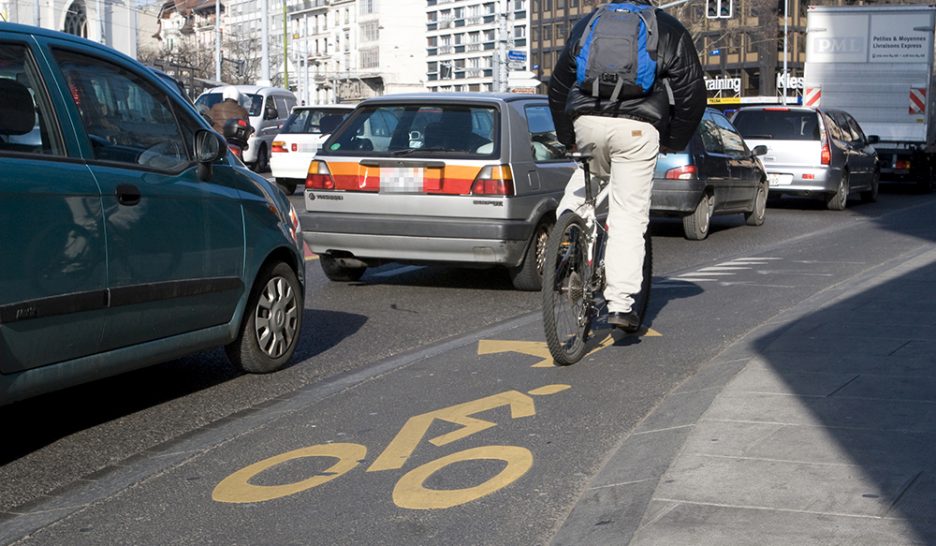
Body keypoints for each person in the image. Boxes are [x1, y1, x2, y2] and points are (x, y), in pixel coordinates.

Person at [548, 2, 706, 332]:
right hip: (638, 128)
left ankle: (568, 238)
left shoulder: (590, 23)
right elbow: (692, 94)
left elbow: (559, 84)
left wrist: (569, 138)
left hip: (587, 121)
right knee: (628, 214)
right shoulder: (667, 27)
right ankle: (620, 304)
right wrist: (672, 141)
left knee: (586, 182)